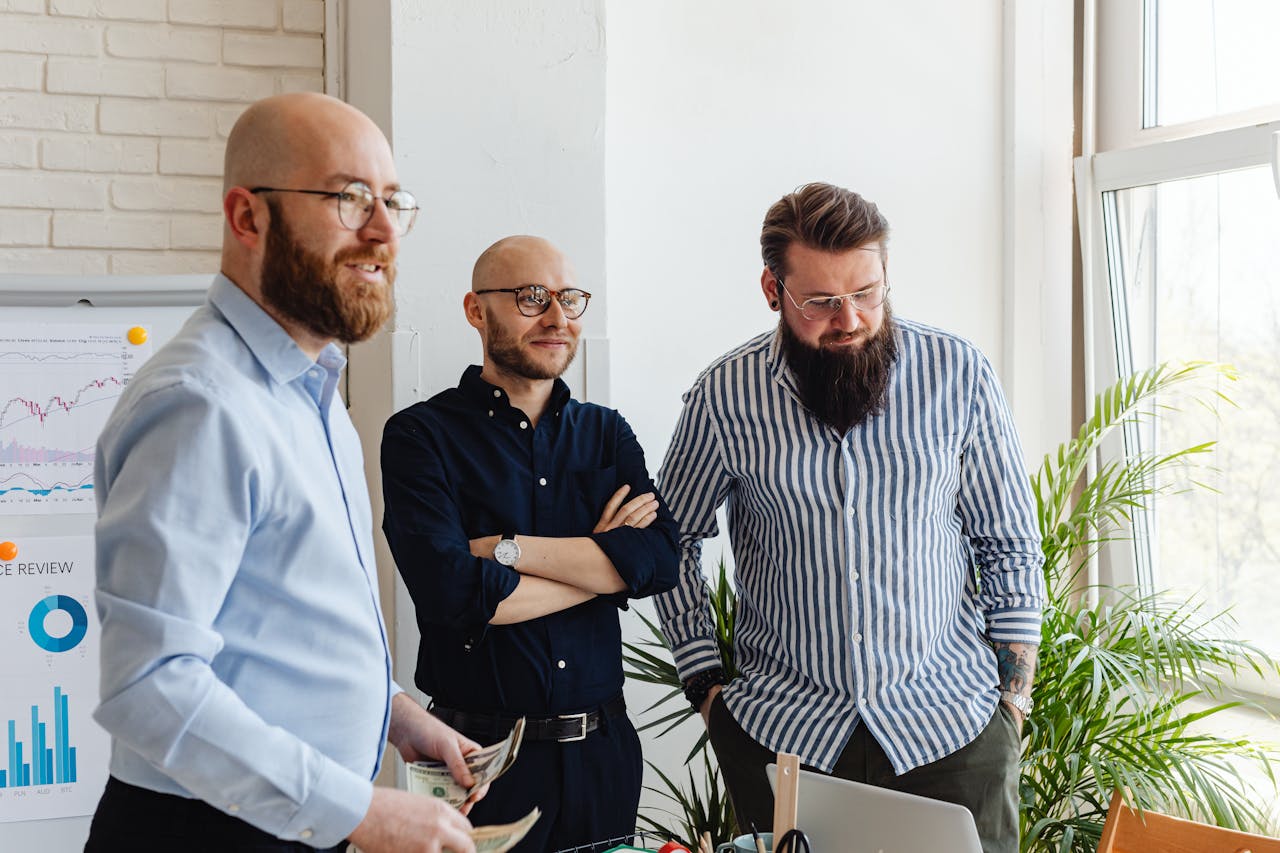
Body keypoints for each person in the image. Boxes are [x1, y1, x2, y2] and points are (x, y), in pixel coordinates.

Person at [87, 92, 483, 853]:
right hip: (203, 833)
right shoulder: (202, 404)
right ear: (247, 218)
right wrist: (361, 811)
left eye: (394, 201)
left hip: (284, 822)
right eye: (349, 198)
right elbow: (150, 684)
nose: (383, 231)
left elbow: (272, 626)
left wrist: (391, 713)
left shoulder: (311, 389)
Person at [653, 182, 1045, 853]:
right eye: (822, 302)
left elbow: (1007, 539)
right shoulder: (724, 397)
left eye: (868, 292)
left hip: (951, 732)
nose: (851, 318)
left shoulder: (959, 374)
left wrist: (1012, 700)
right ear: (773, 291)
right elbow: (670, 541)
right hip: (786, 741)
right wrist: (707, 689)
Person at [381, 235, 680, 852]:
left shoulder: (605, 432)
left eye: (569, 299)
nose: (557, 318)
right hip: (474, 760)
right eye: (531, 298)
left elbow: (658, 562)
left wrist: (506, 550)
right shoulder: (419, 437)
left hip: (603, 756)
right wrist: (600, 562)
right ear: (475, 310)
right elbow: (452, 596)